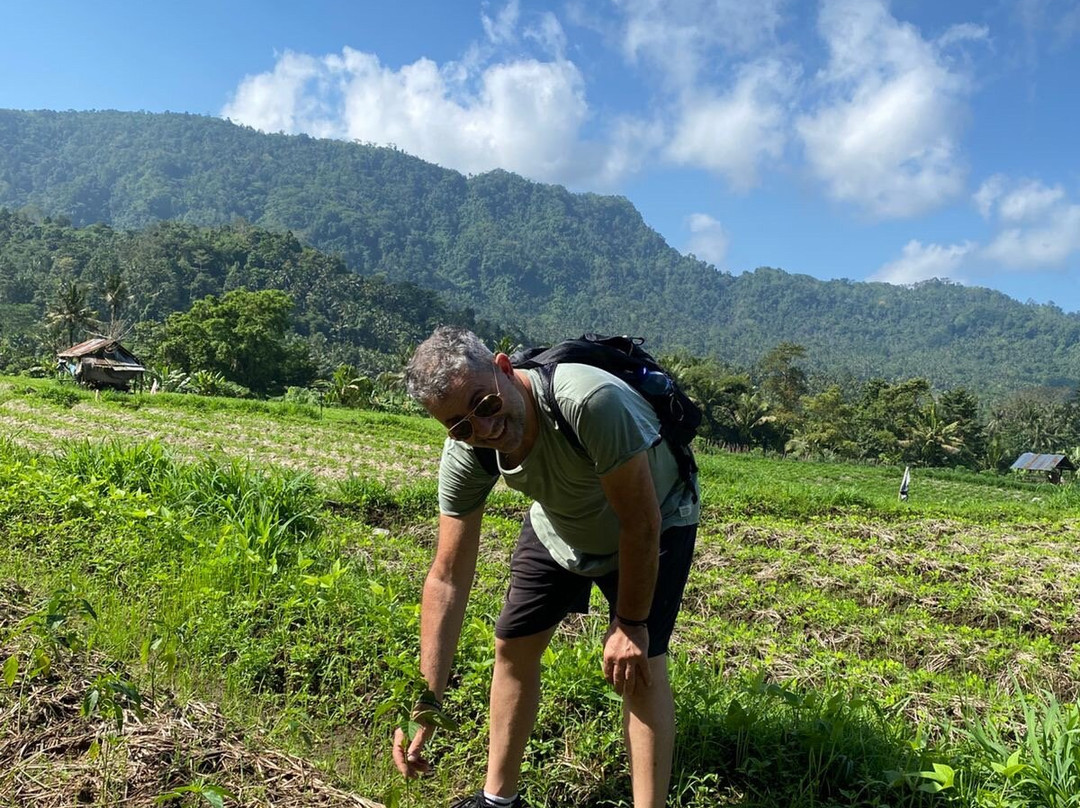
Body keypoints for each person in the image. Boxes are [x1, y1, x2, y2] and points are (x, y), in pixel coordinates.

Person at [392, 326, 699, 808]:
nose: (484, 428)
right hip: (560, 524)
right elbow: (447, 577)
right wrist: (426, 699)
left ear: (503, 369)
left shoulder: (589, 401)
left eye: (485, 404)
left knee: (640, 668)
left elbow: (640, 524)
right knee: (512, 646)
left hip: (655, 521)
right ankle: (499, 801)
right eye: (460, 425)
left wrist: (631, 625)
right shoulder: (467, 452)